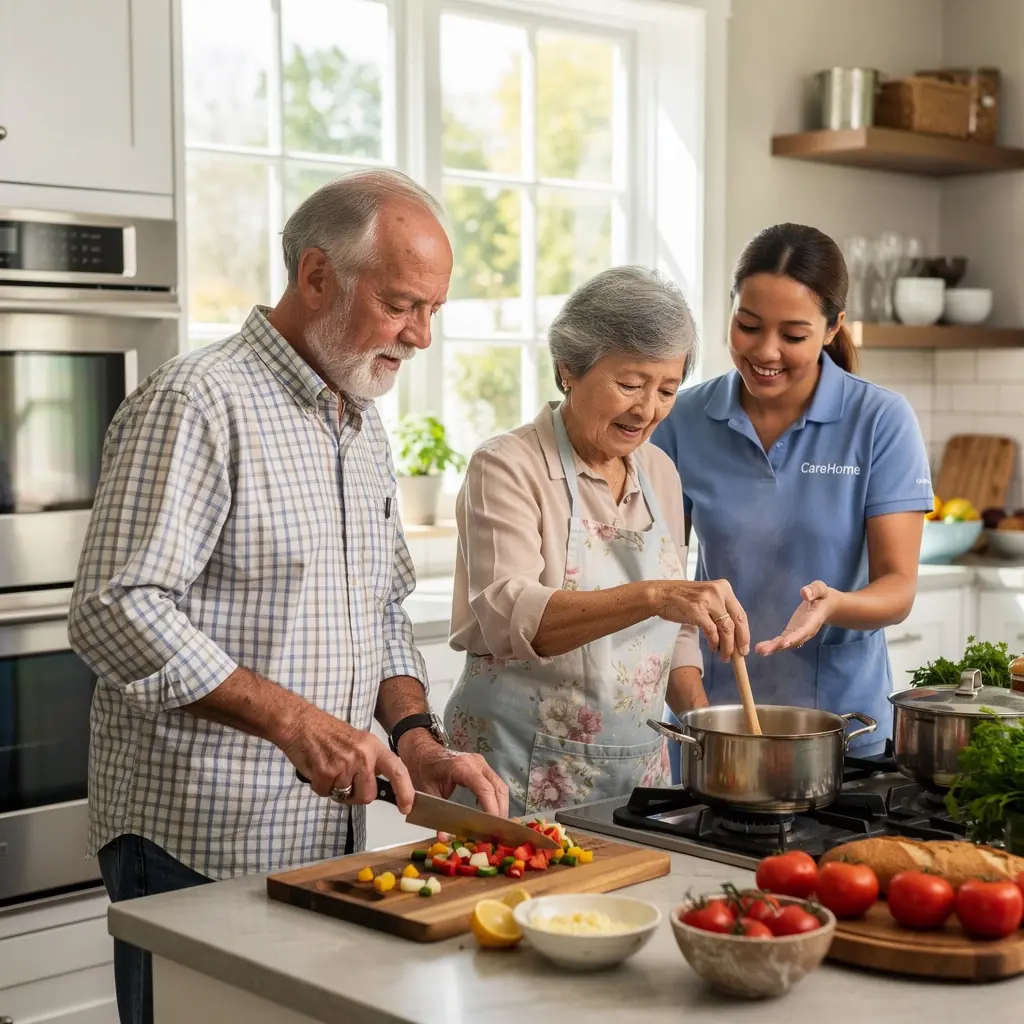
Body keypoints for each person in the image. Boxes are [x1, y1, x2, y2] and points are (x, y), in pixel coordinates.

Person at [68, 169, 507, 1024]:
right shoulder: (199, 401)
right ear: (315, 277)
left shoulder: (361, 416)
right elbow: (115, 607)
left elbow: (381, 608)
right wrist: (297, 722)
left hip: (321, 843)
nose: (419, 336)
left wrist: (414, 739)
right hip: (196, 838)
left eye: (433, 312)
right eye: (401, 305)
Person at [443, 266, 750, 816]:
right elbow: (511, 617)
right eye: (629, 384)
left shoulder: (659, 471)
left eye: (667, 389)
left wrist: (709, 733)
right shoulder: (507, 465)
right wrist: (657, 595)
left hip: (638, 771)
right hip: (515, 768)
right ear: (568, 370)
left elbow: (675, 634)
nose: (647, 409)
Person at [654, 223, 932, 773]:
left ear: (833, 329)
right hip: (714, 721)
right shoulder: (682, 419)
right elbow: (660, 583)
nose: (766, 351)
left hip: (842, 729)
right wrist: (704, 721)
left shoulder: (880, 421)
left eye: (794, 335)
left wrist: (836, 605)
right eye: (748, 325)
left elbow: (897, 589)